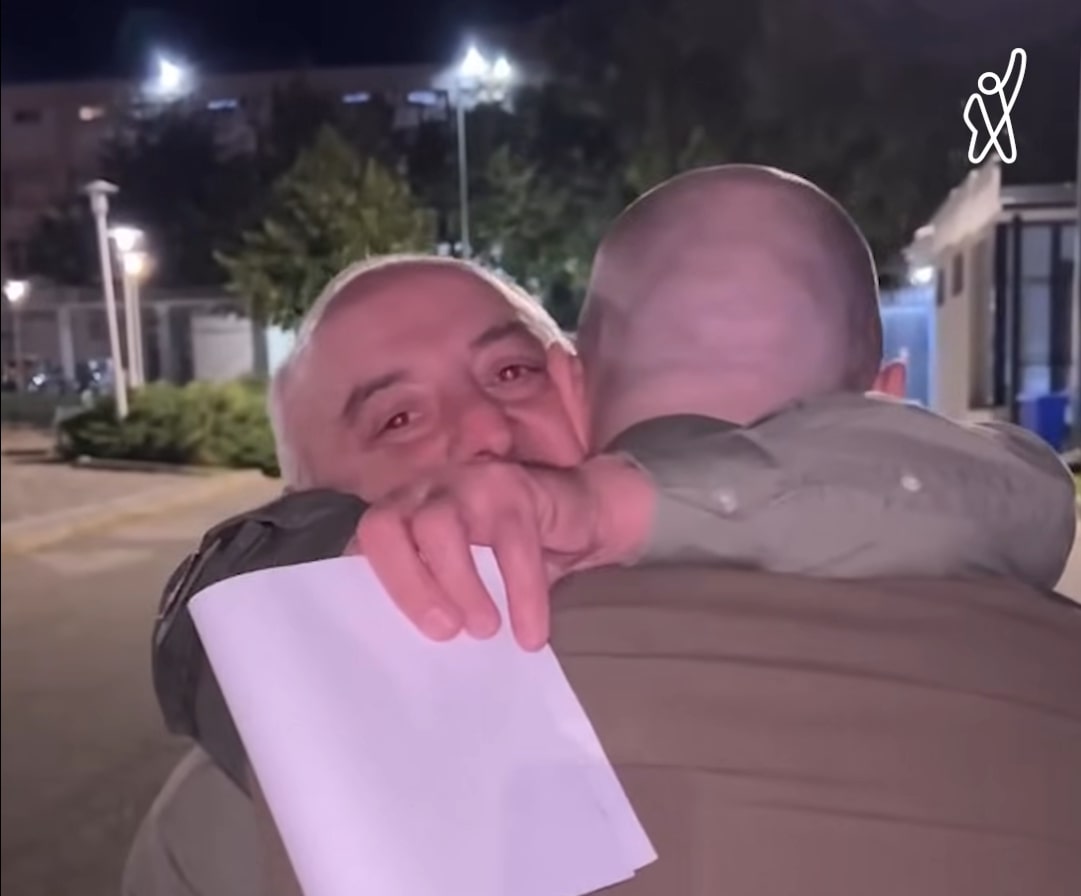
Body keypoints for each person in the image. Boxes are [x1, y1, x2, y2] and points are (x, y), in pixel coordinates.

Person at [126, 171, 1078, 893]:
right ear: (311, 506)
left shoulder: (908, 526)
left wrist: (617, 503)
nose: (485, 433)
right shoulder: (259, 798)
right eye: (397, 420)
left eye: (510, 374)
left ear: (576, 386)